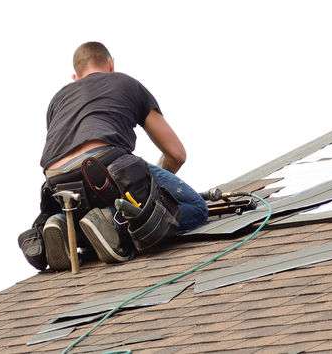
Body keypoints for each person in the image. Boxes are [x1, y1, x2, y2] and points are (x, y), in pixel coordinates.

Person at [28, 42, 208, 271]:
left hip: (56, 180)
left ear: (76, 76)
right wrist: (151, 195)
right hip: (105, 163)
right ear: (110, 65)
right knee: (195, 207)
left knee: (91, 214)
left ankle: (63, 225)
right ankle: (114, 222)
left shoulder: (59, 99)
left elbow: (65, 148)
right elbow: (176, 154)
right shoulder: (126, 83)